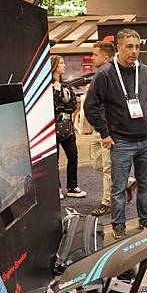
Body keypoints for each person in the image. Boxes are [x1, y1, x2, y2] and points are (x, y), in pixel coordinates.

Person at [84, 29, 147, 239]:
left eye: (137, 47)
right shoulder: (105, 74)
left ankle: (145, 219)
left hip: (146, 139)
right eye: (129, 46)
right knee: (118, 187)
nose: (134, 51)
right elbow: (90, 107)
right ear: (118, 47)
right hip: (120, 142)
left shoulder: (144, 72)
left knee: (144, 183)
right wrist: (104, 133)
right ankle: (118, 224)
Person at [86, 41, 137, 217]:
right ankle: (128, 182)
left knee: (109, 167)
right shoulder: (99, 75)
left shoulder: (112, 74)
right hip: (97, 128)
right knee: (97, 163)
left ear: (105, 57)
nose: (92, 58)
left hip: (109, 130)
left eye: (94, 55)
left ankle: (107, 202)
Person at [51, 55, 86, 200]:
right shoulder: (48, 87)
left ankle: (72, 186)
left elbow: (72, 105)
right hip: (52, 129)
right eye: (61, 63)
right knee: (55, 160)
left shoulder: (66, 85)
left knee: (73, 156)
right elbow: (51, 107)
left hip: (67, 128)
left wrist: (62, 107)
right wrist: (58, 93)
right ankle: (56, 188)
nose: (64, 65)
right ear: (54, 66)